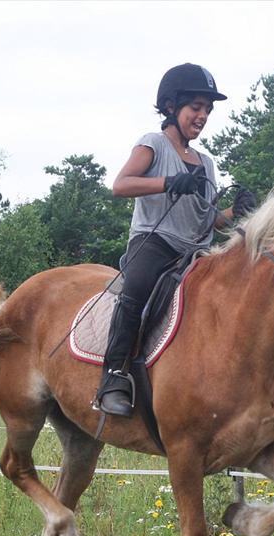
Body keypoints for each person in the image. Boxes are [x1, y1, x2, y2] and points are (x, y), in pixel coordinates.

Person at [96, 63, 256, 417]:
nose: (202, 116)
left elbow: (209, 218)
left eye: (207, 111)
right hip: (154, 242)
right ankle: (114, 375)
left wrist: (236, 212)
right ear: (172, 107)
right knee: (136, 289)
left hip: (196, 252)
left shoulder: (206, 163)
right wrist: (168, 182)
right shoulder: (153, 143)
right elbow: (120, 185)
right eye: (196, 108)